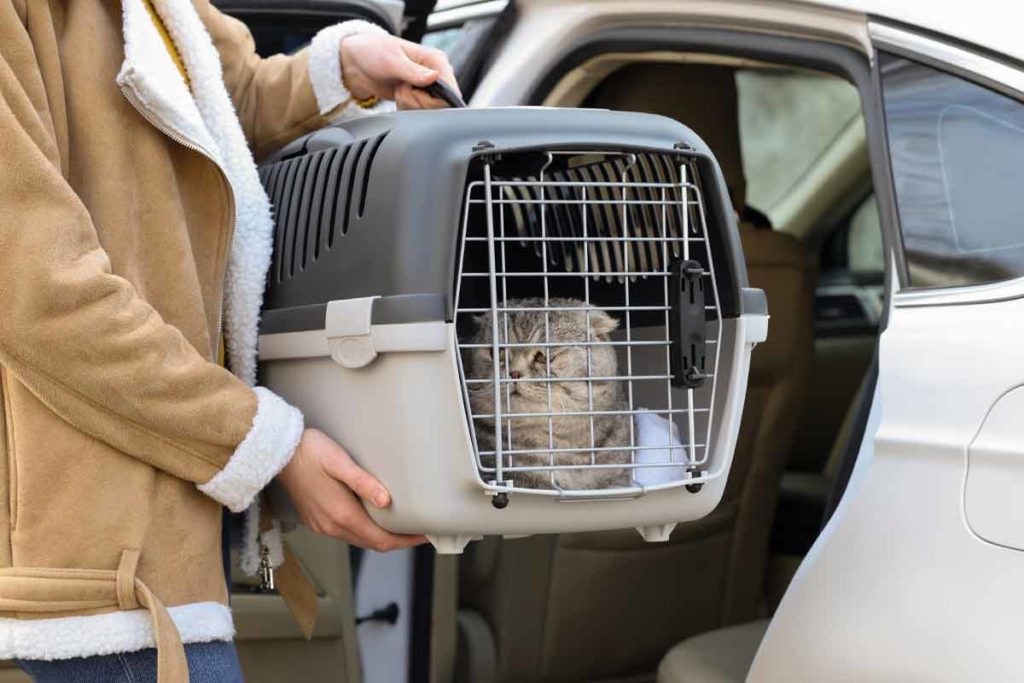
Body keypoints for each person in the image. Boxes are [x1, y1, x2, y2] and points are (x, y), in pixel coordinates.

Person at [0, 0, 457, 680]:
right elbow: (41, 295)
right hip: (99, 564)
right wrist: (267, 443)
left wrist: (347, 66)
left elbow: (227, 90)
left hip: (178, 521)